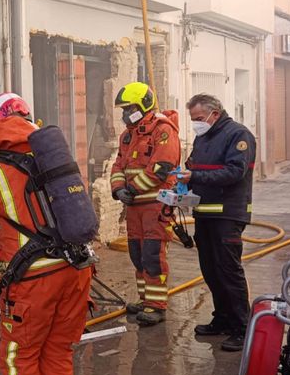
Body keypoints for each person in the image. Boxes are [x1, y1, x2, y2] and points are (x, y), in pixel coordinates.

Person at [0, 93, 93, 375]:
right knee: (56, 352)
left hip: (34, 280)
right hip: (76, 268)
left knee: (17, 358)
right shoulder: (51, 155)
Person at [178, 94, 256, 352]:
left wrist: (196, 175)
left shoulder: (238, 135)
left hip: (228, 215)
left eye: (199, 119)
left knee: (228, 271)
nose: (196, 124)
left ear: (215, 113)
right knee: (210, 270)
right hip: (205, 213)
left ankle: (242, 328)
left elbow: (235, 171)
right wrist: (183, 178)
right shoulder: (204, 137)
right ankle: (222, 319)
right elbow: (193, 164)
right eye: (193, 120)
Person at [110, 82, 181, 326]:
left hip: (155, 205)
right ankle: (145, 300)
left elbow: (161, 168)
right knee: (137, 255)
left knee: (153, 255)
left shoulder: (163, 131)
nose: (124, 114)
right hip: (133, 207)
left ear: (143, 106)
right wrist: (118, 189)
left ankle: (157, 306)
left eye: (128, 108)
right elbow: (118, 165)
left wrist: (132, 188)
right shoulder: (128, 135)